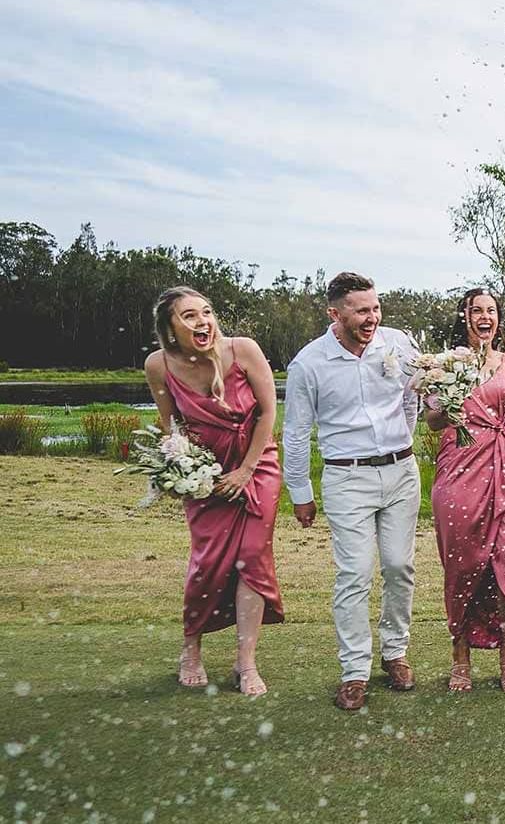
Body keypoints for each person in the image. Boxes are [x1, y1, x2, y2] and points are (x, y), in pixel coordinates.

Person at [283, 272, 422, 711]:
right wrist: (301, 490)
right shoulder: (309, 363)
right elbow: (295, 432)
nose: (372, 317)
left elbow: (412, 398)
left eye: (376, 308)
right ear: (335, 313)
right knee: (355, 573)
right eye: (361, 310)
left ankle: (395, 652)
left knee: (400, 566)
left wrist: (403, 445)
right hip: (347, 477)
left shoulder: (397, 344)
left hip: (401, 472)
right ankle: (354, 670)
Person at [143, 287, 284, 697]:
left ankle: (246, 662)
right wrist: (178, 470)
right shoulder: (158, 365)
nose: (203, 321)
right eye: (189, 316)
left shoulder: (243, 350)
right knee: (208, 562)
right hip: (204, 472)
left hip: (256, 465)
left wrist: (245, 469)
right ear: (170, 328)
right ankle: (191, 649)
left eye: (206, 312)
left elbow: (268, 410)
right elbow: (172, 428)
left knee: (253, 559)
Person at [427, 289, 505, 693]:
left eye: (490, 310)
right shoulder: (445, 363)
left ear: (498, 318)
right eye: (476, 310)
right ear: (465, 316)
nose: (484, 316)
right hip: (459, 468)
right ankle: (460, 657)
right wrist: (452, 395)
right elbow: (434, 422)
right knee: (462, 563)